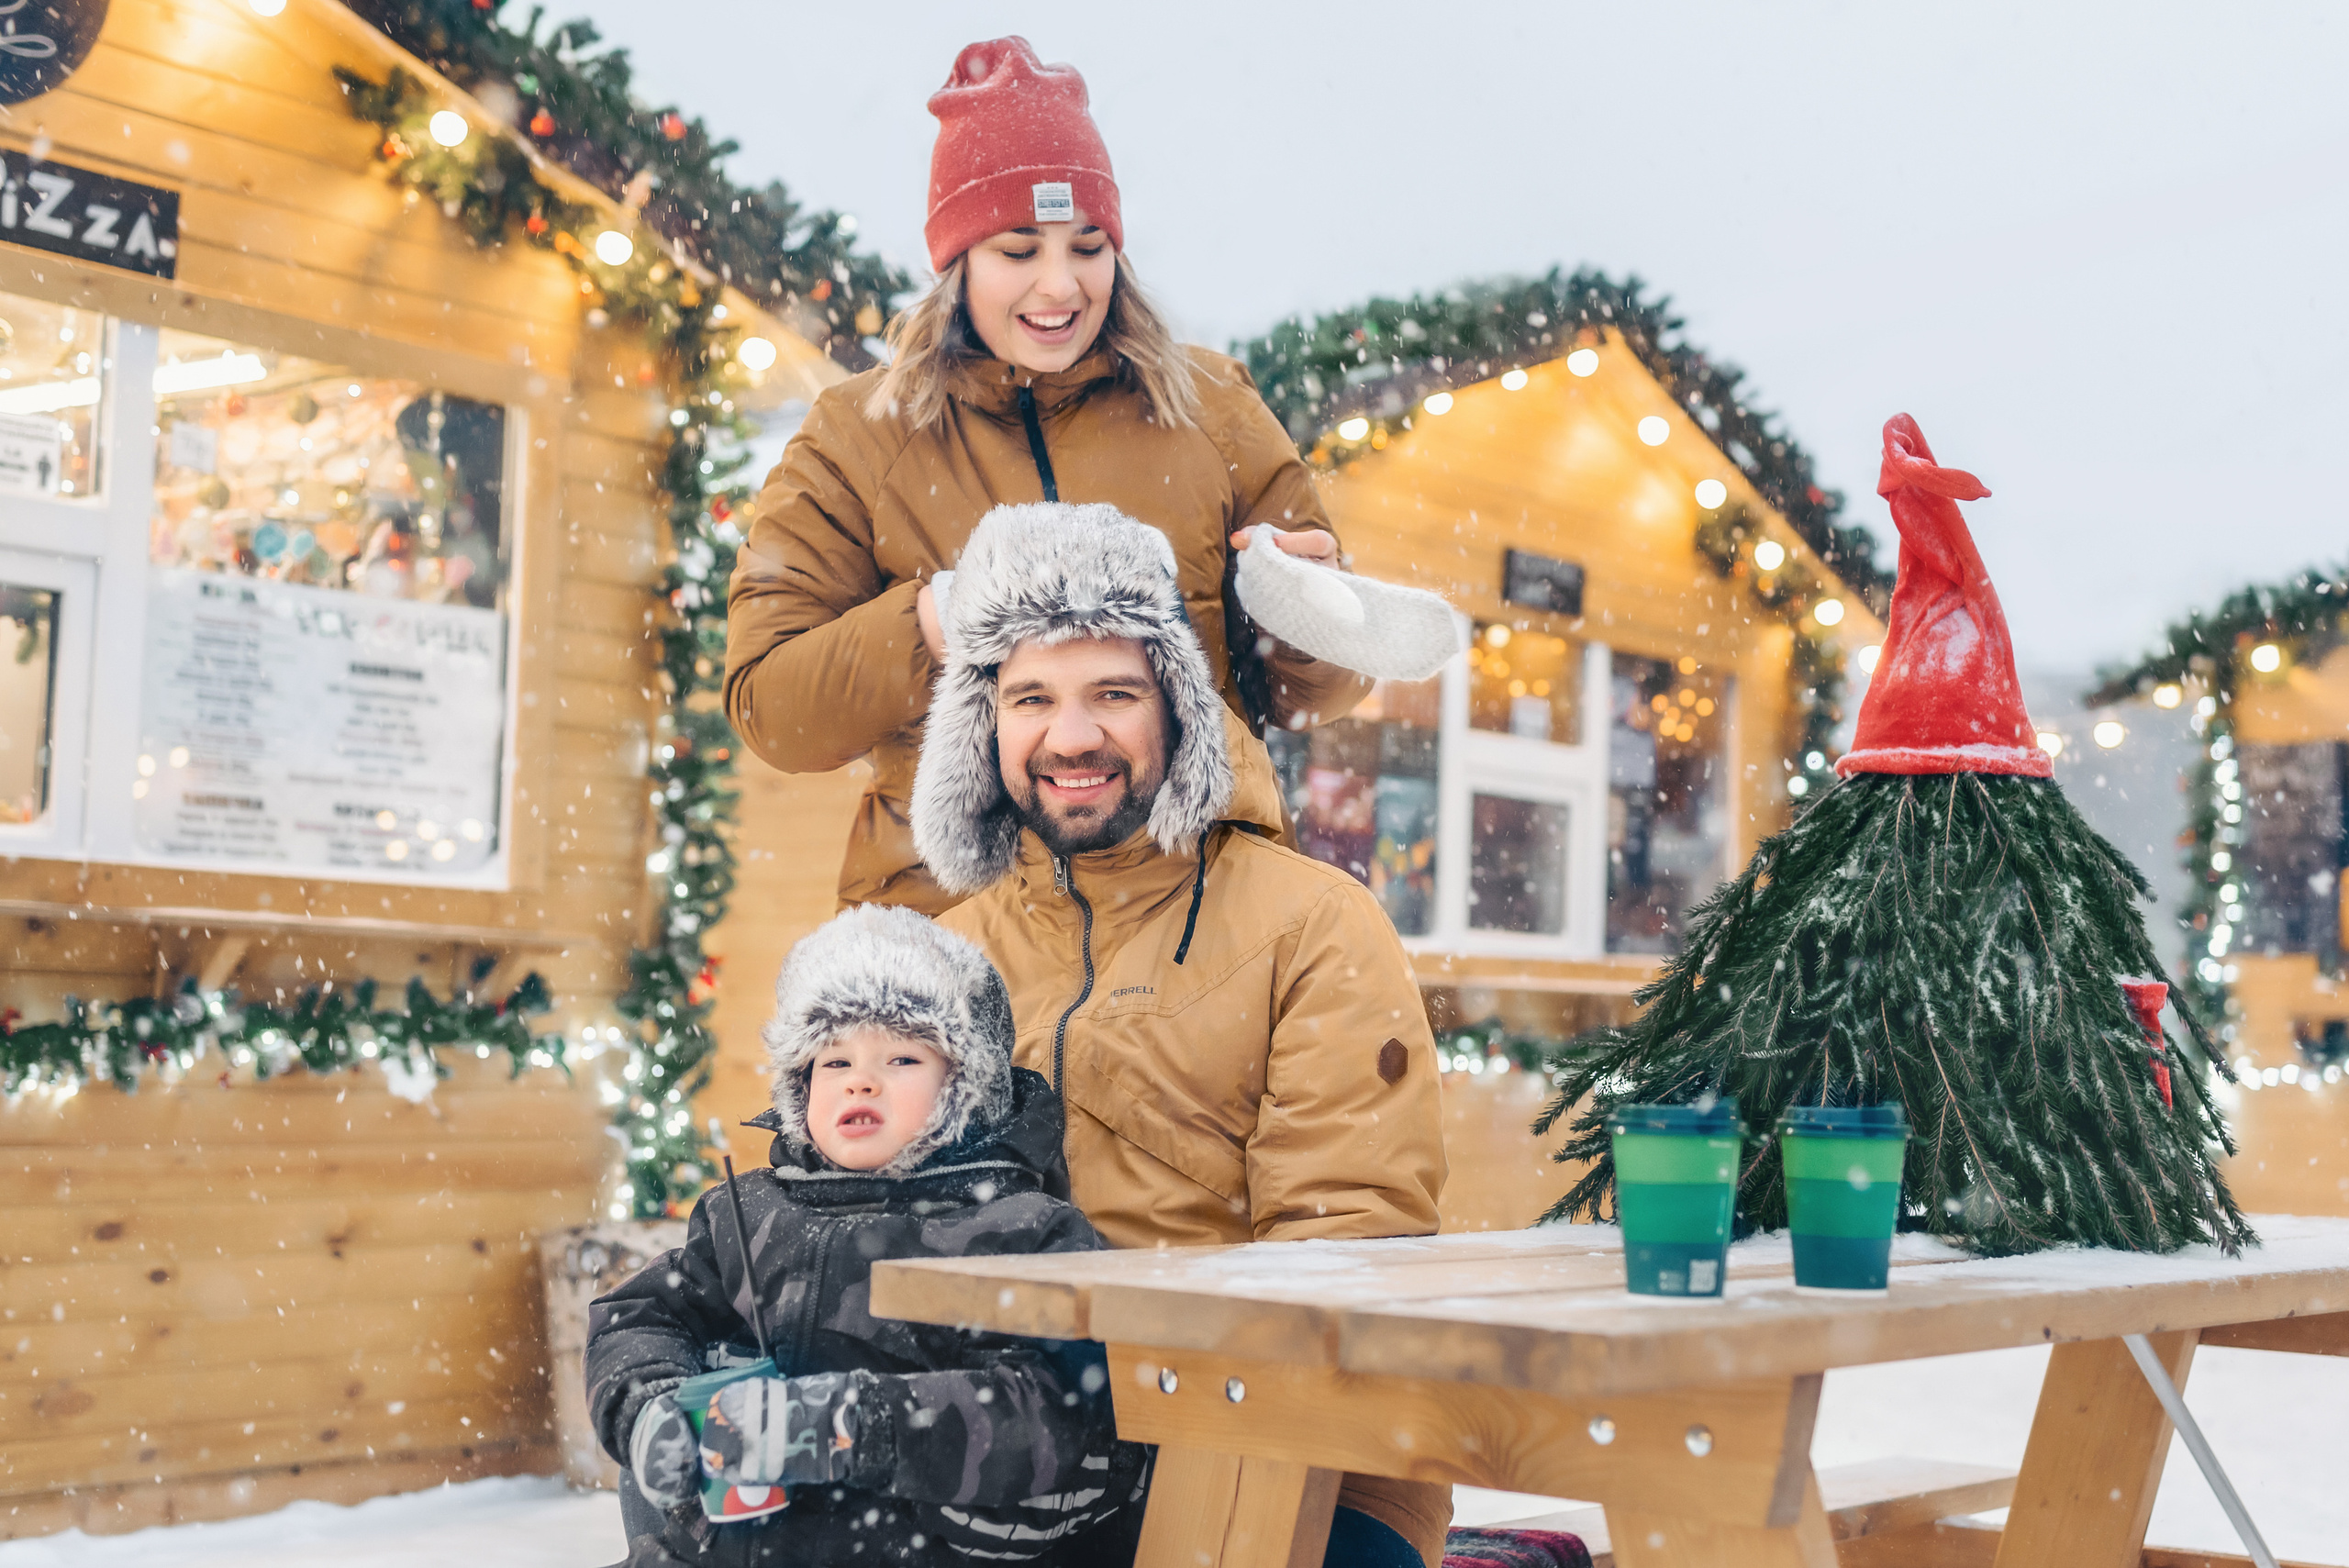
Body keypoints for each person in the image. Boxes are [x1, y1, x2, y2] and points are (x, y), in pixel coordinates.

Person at [912, 502, 1453, 1568]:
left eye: (1113, 692)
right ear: (984, 722)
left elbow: (1343, 1247)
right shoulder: (942, 957)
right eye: (1032, 697)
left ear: (1178, 709)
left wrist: (1112, 1419)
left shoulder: (1311, 922)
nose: (1071, 736)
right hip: (1012, 1456)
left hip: (1301, 1455)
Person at [725, 35, 1370, 916]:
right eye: (1019, 250)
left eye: (1089, 244)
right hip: (954, 934)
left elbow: (1324, 691)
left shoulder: (1212, 408)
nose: (1060, 286)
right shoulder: (860, 437)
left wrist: (1309, 607)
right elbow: (773, 709)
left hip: (1190, 932)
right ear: (957, 262)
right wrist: (937, 619)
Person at [584, 905, 1145, 1567]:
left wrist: (854, 1424)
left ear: (967, 1085)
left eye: (903, 1055)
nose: (861, 1078)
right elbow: (636, 1315)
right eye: (833, 1058)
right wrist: (649, 1404)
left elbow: (1058, 1411)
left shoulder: (1020, 1229)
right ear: (800, 1083)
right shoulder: (745, 1215)